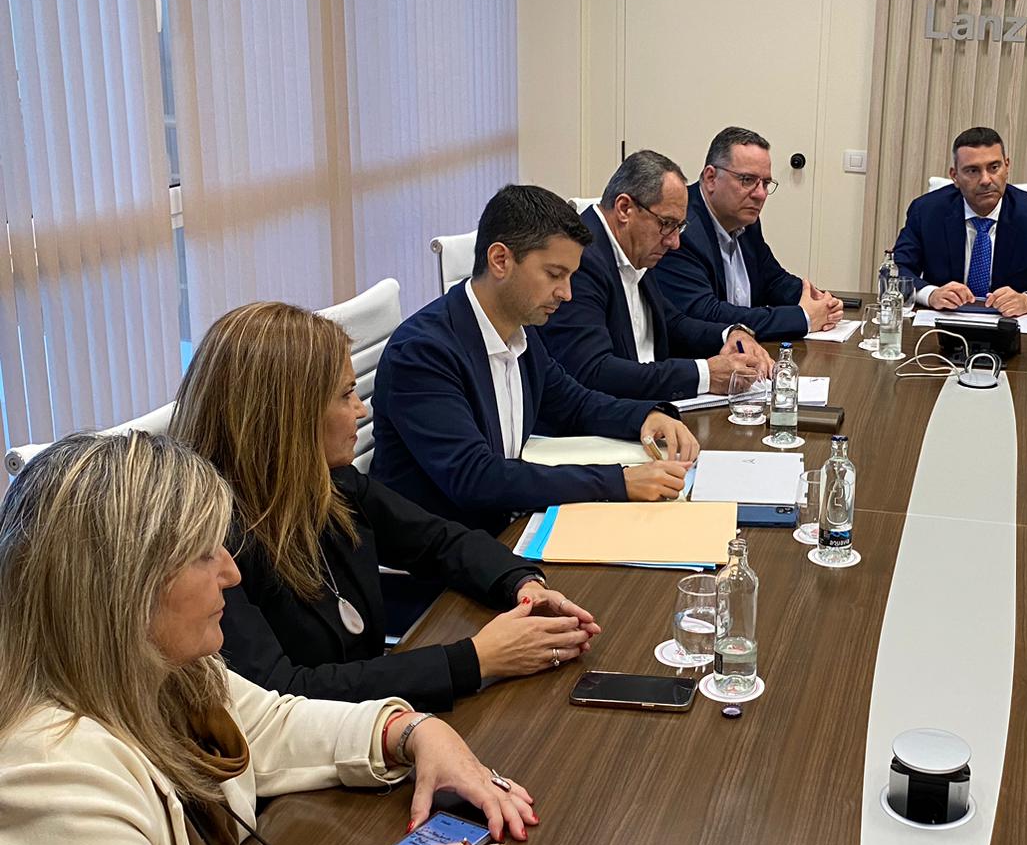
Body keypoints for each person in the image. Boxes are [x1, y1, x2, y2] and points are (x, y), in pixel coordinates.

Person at [0, 432, 536, 845]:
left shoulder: (159, 667)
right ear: (126, 589)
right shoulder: (43, 774)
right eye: (204, 554)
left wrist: (409, 732)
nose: (232, 573)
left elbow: (271, 727)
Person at [171, 302, 602, 712]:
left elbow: (439, 540)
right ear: (287, 416)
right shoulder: (209, 547)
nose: (362, 411)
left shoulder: (329, 482)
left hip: (374, 724)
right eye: (345, 395)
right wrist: (477, 659)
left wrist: (521, 585)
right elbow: (285, 695)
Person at [371, 185, 700, 534]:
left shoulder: (519, 330)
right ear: (500, 260)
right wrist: (618, 482)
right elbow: (476, 477)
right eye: (555, 274)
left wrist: (645, 417)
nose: (567, 293)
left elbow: (572, 404)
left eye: (571, 276)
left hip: (503, 530)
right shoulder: (423, 353)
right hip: (441, 565)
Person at [541, 150, 774, 400]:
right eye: (667, 224)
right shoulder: (581, 258)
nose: (674, 242)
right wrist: (705, 375)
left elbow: (672, 323)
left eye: (679, 227)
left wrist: (731, 333)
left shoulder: (636, 248)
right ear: (624, 209)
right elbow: (594, 371)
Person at [653, 125, 844, 340]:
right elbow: (707, 313)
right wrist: (803, 318)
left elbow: (773, 279)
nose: (760, 194)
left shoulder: (746, 221)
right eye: (747, 180)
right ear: (710, 178)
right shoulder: (681, 227)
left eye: (765, 183)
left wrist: (819, 301)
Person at [891, 126, 1027, 317]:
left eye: (994, 167)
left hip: (1012, 328)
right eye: (972, 171)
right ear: (955, 176)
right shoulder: (926, 212)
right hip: (944, 326)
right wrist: (931, 294)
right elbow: (895, 272)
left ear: (1007, 167)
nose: (985, 180)